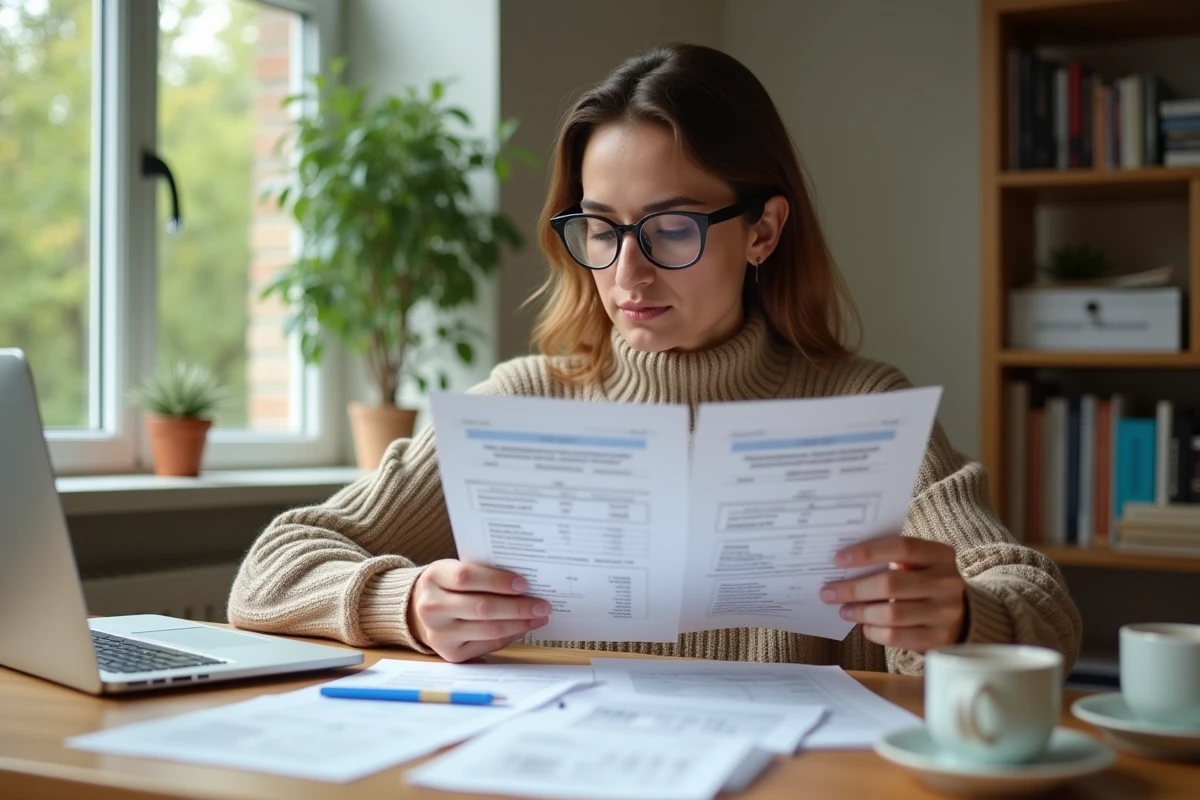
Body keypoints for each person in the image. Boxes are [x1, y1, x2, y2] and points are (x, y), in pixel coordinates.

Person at [228, 43, 1081, 675]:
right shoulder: (522, 406)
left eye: (671, 227)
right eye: (599, 228)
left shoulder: (859, 407)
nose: (625, 271)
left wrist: (963, 616)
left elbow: (1041, 607)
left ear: (764, 231)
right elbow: (270, 569)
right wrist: (407, 604)